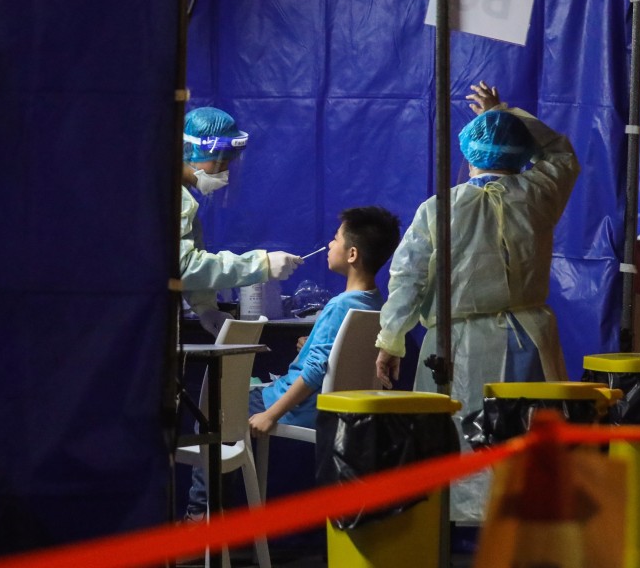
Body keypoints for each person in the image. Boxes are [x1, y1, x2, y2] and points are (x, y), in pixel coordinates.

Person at [374, 81, 580, 523]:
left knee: (460, 445)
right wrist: (505, 114)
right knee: (523, 443)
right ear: (522, 155)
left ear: (467, 155)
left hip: (455, 343)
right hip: (527, 338)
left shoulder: (439, 208)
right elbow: (561, 153)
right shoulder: (538, 196)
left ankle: (458, 533)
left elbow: (407, 278)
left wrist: (391, 340)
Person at [185, 205, 401, 520]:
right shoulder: (373, 303)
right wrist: (309, 344)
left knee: (211, 413)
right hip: (332, 409)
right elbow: (332, 358)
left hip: (300, 409)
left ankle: (199, 518)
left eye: (335, 239)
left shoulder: (339, 306)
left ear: (352, 254)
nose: (329, 245)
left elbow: (315, 370)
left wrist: (271, 415)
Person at [180, 107, 303, 336]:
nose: (224, 172)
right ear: (190, 150)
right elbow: (185, 267)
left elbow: (190, 257)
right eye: (218, 163)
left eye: (229, 163)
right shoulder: (171, 198)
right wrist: (260, 264)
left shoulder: (184, 198)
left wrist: (205, 308)